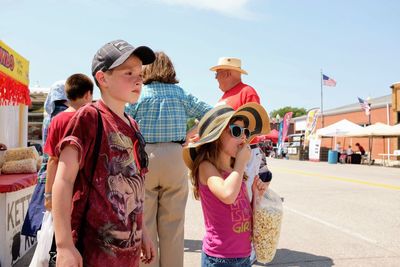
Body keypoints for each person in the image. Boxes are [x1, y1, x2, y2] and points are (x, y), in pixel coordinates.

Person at [51, 40, 156, 267]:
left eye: (140, 73)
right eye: (128, 73)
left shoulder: (134, 126)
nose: (139, 79)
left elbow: (137, 187)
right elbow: (64, 179)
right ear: (102, 78)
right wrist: (64, 245)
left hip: (128, 254)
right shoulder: (89, 118)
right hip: (92, 253)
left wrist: (144, 232)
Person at [125, 51, 211, 267]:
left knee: (145, 221)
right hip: (175, 156)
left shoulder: (140, 94)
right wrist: (191, 133)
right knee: (173, 225)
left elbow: (123, 121)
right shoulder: (180, 93)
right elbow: (211, 113)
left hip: (145, 158)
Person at [182, 103, 270, 267]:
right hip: (220, 258)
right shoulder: (207, 168)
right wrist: (241, 164)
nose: (243, 137)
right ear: (216, 138)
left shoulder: (236, 173)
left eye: (246, 132)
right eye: (236, 131)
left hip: (244, 255)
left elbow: (245, 212)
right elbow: (228, 195)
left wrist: (256, 195)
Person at [210, 57, 265, 264]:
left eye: (217, 74)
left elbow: (253, 125)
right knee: (231, 200)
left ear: (226, 73)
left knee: (245, 198)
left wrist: (242, 152)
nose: (215, 78)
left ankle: (249, 247)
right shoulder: (225, 96)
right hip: (226, 155)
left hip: (242, 153)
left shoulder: (246, 92)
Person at [21, 81, 68, 237]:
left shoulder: (50, 117)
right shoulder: (68, 116)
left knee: (46, 222)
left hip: (46, 172)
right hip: (61, 171)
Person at [44, 73, 94, 211]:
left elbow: (53, 160)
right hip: (90, 188)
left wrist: (48, 194)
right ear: (88, 95)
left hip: (63, 186)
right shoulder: (95, 119)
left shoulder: (57, 120)